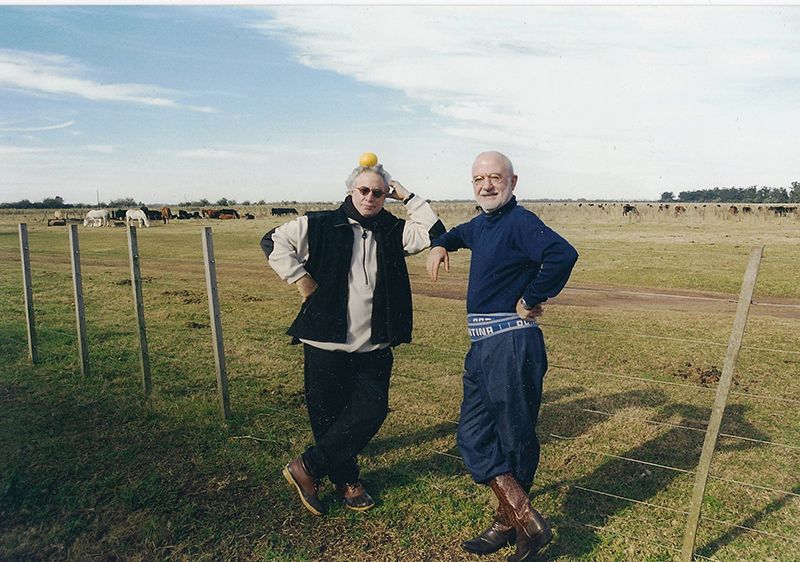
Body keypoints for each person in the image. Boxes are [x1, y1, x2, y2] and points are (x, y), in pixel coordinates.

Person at [262, 155, 445, 516]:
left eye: (379, 192)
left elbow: (435, 232)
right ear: (351, 190)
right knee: (327, 417)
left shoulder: (393, 230)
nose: (370, 198)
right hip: (324, 343)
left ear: (385, 196)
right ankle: (348, 482)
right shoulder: (319, 224)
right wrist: (299, 277)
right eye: (364, 189)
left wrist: (407, 196)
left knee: (372, 410)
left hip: (373, 344)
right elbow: (272, 240)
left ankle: (307, 468)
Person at [427, 151, 578, 561]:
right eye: (479, 179)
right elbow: (458, 233)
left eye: (495, 178)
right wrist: (441, 244)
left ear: (513, 181)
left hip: (512, 343)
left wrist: (531, 297)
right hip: (482, 346)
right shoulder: (483, 223)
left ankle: (516, 526)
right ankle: (524, 519)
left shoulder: (520, 222)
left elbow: (563, 254)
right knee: (473, 434)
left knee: (514, 437)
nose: (486, 186)